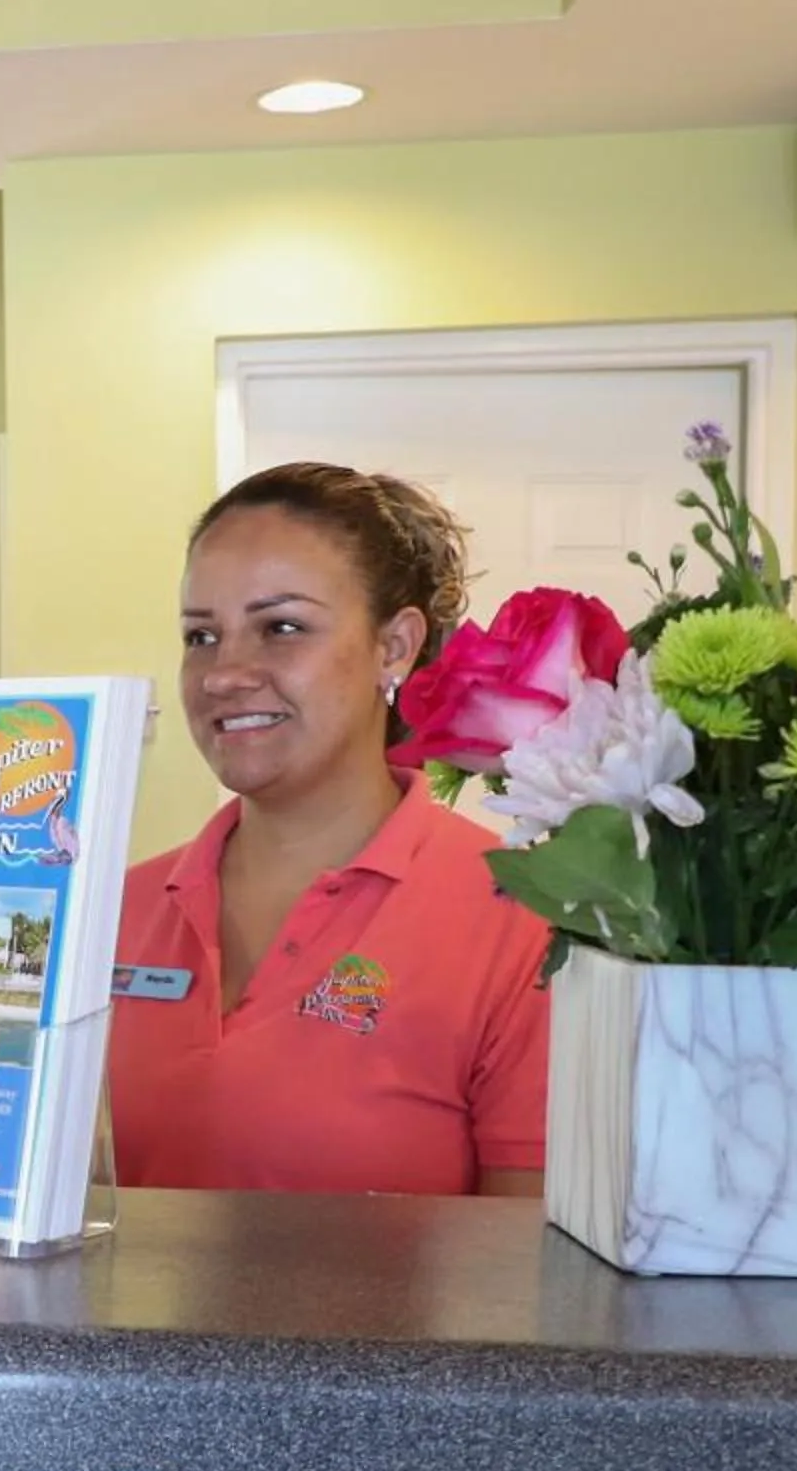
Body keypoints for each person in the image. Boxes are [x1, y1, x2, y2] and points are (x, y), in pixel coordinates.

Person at [107, 462, 548, 1197]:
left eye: (282, 627)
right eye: (200, 636)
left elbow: (532, 1284)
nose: (224, 674)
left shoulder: (519, 922)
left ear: (395, 646)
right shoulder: (112, 914)